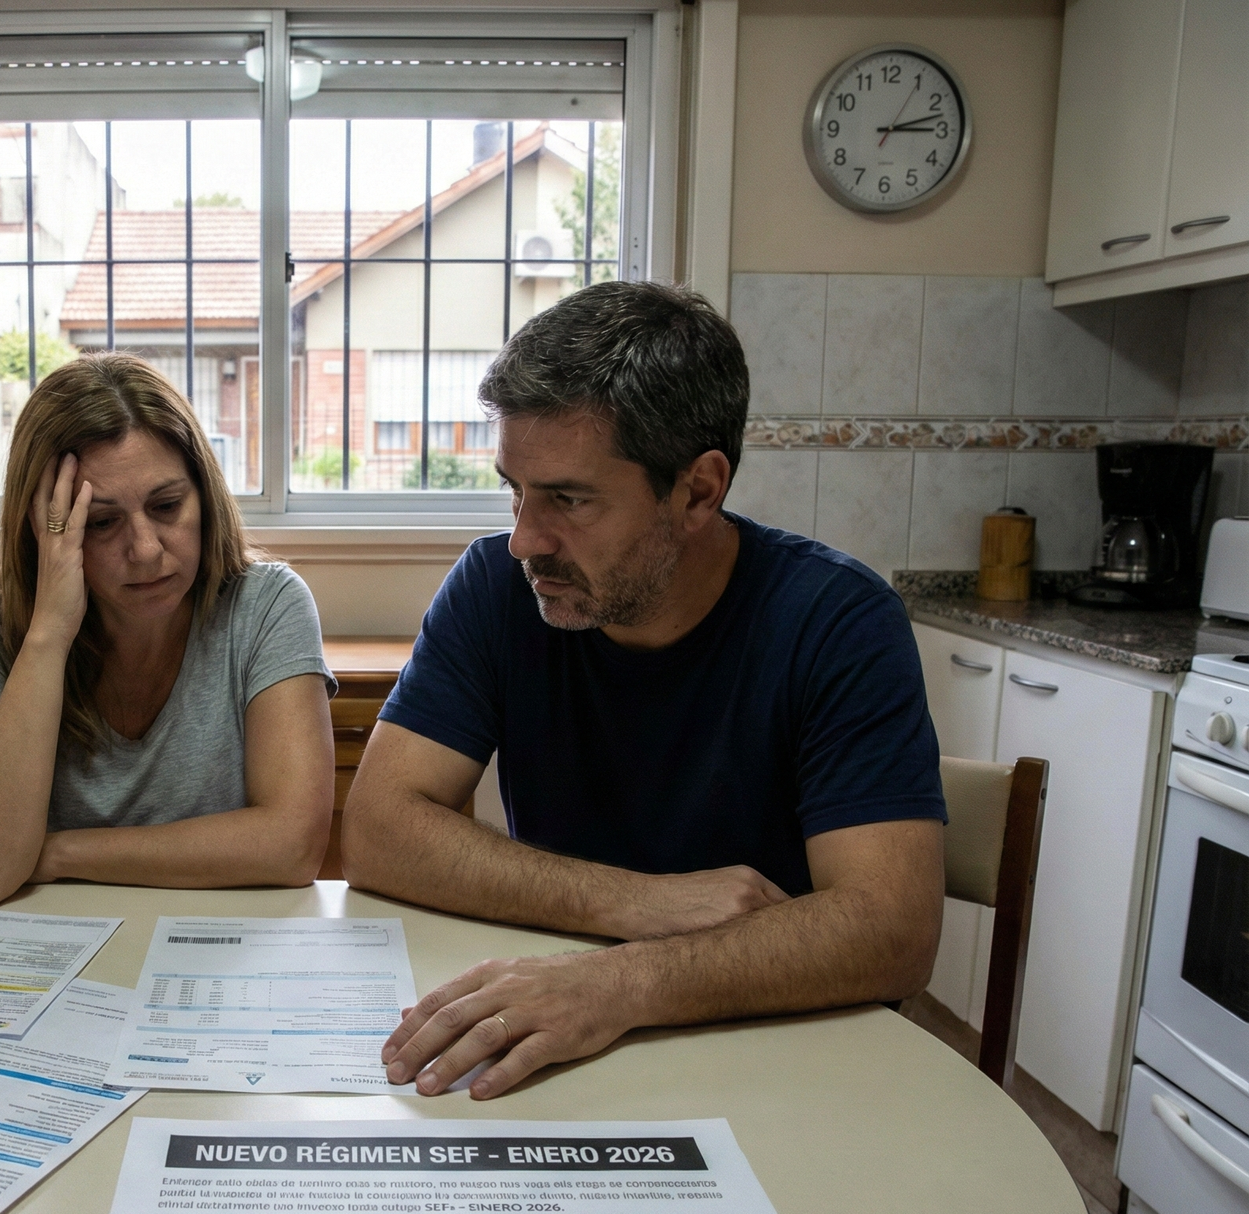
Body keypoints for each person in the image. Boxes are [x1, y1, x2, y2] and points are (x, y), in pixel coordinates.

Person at [341, 280, 946, 1100]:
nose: (524, 538)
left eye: (568, 499)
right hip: (559, 1038)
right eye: (515, 489)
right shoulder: (494, 585)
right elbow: (379, 828)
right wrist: (639, 905)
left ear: (698, 490)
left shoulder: (837, 620)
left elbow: (892, 930)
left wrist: (620, 984)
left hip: (776, 1053)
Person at [0, 352, 336, 908]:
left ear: (206, 497)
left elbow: (291, 848)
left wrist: (52, 854)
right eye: (101, 522)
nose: (145, 550)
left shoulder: (266, 605)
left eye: (167, 506)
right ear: (46, 528)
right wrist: (48, 632)